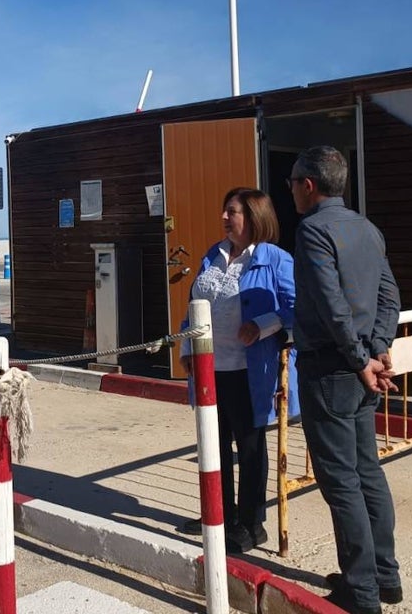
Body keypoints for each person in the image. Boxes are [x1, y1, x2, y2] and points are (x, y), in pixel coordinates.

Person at [288, 146, 403, 614]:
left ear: (309, 185)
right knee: (368, 472)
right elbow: (388, 295)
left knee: (343, 482)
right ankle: (385, 577)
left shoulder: (313, 230)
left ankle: (361, 590)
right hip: (359, 368)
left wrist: (361, 358)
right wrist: (376, 349)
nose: (290, 190)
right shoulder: (366, 228)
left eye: (293, 181)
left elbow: (332, 305)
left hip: (332, 368)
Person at [178, 187, 299, 553]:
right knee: (212, 444)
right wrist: (186, 347)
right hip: (210, 366)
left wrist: (262, 325)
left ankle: (251, 523)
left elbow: (299, 308)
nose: (224, 218)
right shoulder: (211, 255)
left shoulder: (274, 259)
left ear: (254, 216)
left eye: (232, 212)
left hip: (250, 369)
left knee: (249, 447)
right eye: (224, 211)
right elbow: (195, 306)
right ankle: (219, 514)